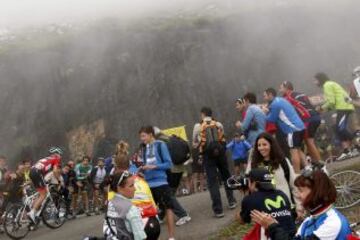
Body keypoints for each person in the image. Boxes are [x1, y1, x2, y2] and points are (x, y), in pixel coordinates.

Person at [251, 169, 352, 240]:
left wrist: (273, 226)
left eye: (301, 190)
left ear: (316, 191)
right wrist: (272, 226)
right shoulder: (309, 220)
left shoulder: (332, 222)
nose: (298, 195)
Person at [132, 126, 175, 240]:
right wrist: (142, 171)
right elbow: (144, 165)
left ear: (151, 134)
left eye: (143, 136)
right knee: (150, 212)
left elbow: (169, 164)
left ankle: (171, 237)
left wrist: (154, 166)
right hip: (148, 185)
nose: (142, 139)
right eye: (140, 136)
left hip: (161, 183)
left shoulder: (161, 145)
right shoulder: (144, 148)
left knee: (168, 208)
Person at [193, 107, 237, 218]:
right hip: (221, 154)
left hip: (208, 155)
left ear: (202, 114)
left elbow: (194, 141)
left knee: (213, 182)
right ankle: (232, 201)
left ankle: (218, 210)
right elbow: (223, 137)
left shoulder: (198, 126)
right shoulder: (218, 124)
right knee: (226, 176)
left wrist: (197, 146)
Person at [247, 132, 302, 218]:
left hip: (285, 209)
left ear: (271, 145)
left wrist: (299, 208)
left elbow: (294, 185)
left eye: (264, 144)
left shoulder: (283, 162)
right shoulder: (253, 165)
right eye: (259, 145)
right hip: (265, 213)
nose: (261, 148)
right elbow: (249, 188)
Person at [236, 168, 296, 239]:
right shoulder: (282, 194)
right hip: (293, 235)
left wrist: (245, 194)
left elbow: (242, 221)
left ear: (254, 183)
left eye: (248, 181)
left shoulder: (250, 199)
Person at [314, 72, 357, 161]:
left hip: (344, 107)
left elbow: (331, 102)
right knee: (338, 128)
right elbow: (333, 103)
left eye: (315, 80)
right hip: (343, 107)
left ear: (320, 79)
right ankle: (346, 151)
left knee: (341, 128)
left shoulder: (327, 85)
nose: (314, 82)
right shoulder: (330, 84)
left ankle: (356, 147)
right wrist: (324, 110)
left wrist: (321, 108)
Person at [153, 128, 192, 227]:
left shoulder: (159, 143)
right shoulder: (170, 137)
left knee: (167, 195)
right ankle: (161, 216)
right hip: (179, 168)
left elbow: (161, 160)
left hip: (171, 170)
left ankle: (183, 215)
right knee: (167, 194)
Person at [263, 88, 306, 173]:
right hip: (300, 127)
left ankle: (297, 174)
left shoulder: (274, 104)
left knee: (293, 151)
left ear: (270, 95)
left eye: (265, 96)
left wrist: (264, 113)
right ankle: (308, 168)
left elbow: (272, 119)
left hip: (292, 129)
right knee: (298, 149)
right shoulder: (281, 99)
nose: (264, 98)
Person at [279, 81, 322, 165]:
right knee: (309, 141)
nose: (279, 89)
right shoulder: (301, 94)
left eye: (281, 87)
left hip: (307, 119)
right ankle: (317, 162)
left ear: (286, 88)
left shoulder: (288, 97)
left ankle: (320, 164)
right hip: (315, 116)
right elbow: (310, 104)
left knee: (309, 141)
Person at [104, 171, 147, 240]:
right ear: (119, 188)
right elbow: (140, 237)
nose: (135, 189)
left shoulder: (109, 203)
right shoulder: (130, 208)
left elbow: (107, 229)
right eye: (131, 186)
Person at [28, 147, 63, 223]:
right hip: (37, 172)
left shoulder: (45, 159)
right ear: (56, 154)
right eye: (60, 154)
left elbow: (38, 169)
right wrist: (59, 180)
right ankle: (32, 212)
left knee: (40, 194)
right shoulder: (56, 159)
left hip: (32, 172)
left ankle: (33, 211)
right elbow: (55, 171)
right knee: (44, 194)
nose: (61, 156)